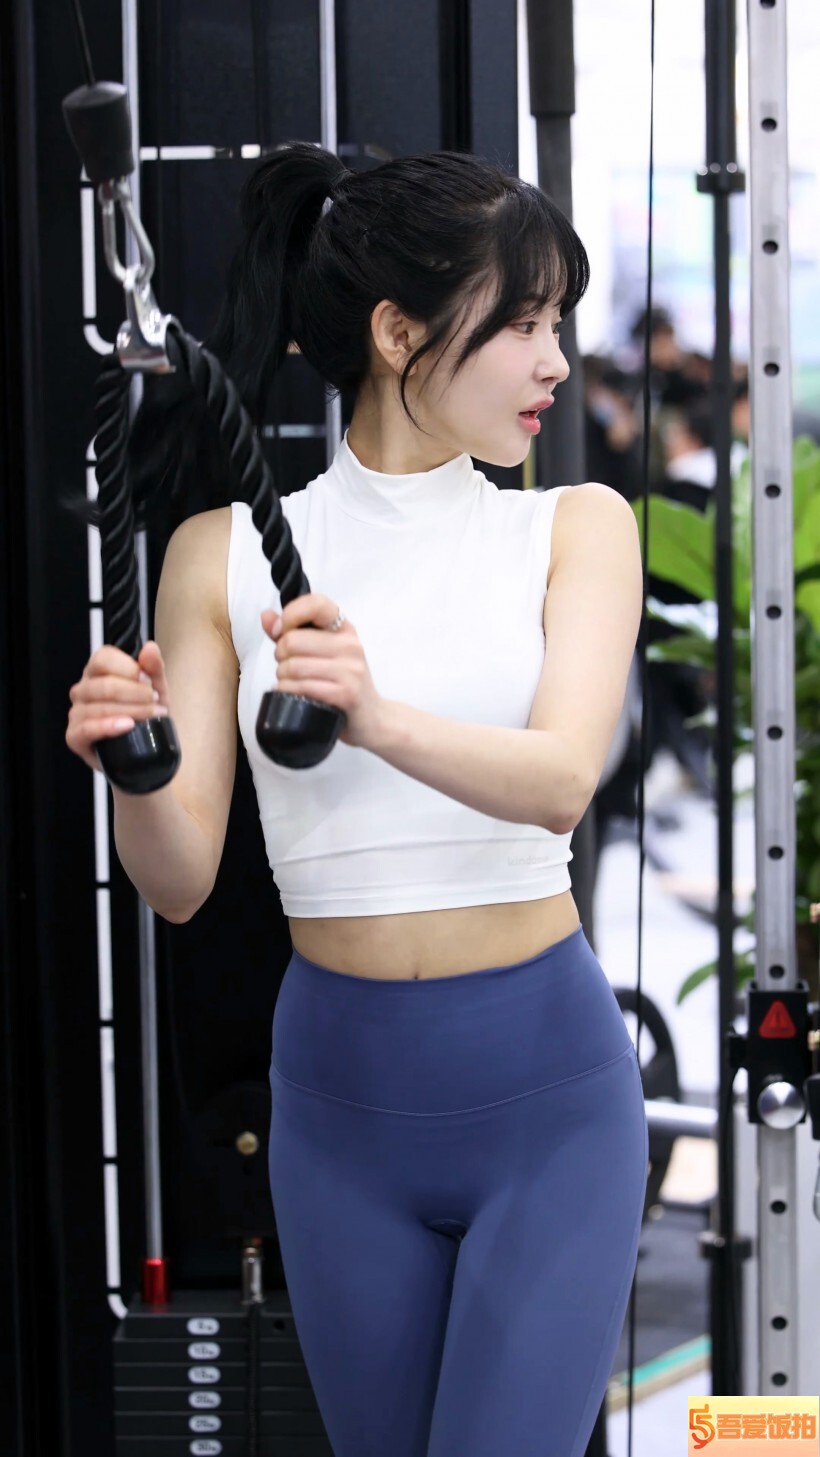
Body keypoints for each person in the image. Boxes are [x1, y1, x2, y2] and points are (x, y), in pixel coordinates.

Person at [65, 145, 648, 1457]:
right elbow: (179, 881)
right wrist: (133, 767)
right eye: (525, 324)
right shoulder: (222, 556)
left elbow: (562, 781)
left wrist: (372, 716)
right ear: (398, 334)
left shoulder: (575, 528)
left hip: (548, 1103)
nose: (557, 362)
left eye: (558, 325)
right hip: (337, 1113)